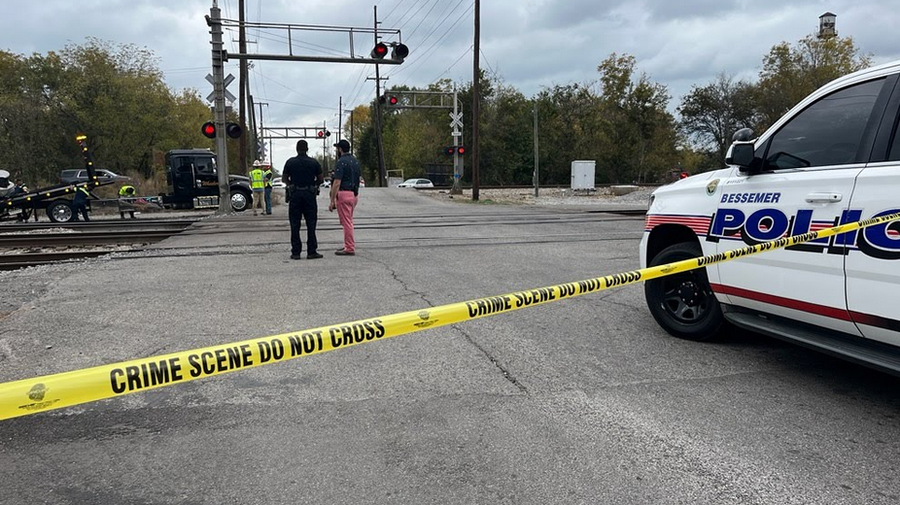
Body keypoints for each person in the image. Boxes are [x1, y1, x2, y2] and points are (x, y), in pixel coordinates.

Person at [283, 140, 324, 260]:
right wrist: (313, 185)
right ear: (307, 149)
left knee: (295, 224)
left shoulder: (290, 162)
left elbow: (284, 178)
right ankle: (311, 251)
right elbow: (321, 178)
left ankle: (296, 252)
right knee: (311, 223)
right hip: (309, 195)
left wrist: (291, 184)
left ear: (297, 149)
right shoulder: (313, 162)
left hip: (295, 194)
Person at [329, 139, 360, 256]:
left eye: (337, 149)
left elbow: (337, 182)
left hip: (344, 193)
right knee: (348, 220)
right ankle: (348, 244)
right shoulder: (355, 161)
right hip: (354, 194)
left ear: (340, 149)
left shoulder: (341, 162)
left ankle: (349, 247)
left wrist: (332, 200)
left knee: (347, 222)